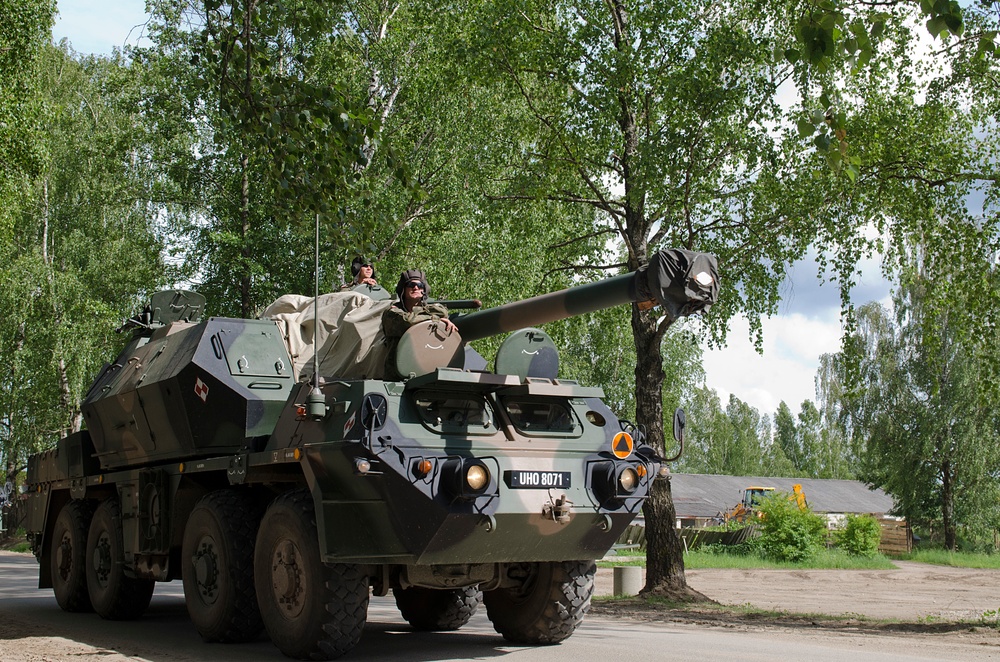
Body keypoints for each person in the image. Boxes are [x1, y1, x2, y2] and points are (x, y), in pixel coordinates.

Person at [381, 269, 457, 379]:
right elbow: (408, 322)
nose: (415, 288)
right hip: (396, 377)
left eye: (420, 285)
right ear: (403, 289)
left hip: (424, 374)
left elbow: (443, 311)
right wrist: (435, 319)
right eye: (411, 285)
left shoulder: (429, 310)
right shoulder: (392, 312)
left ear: (424, 289)